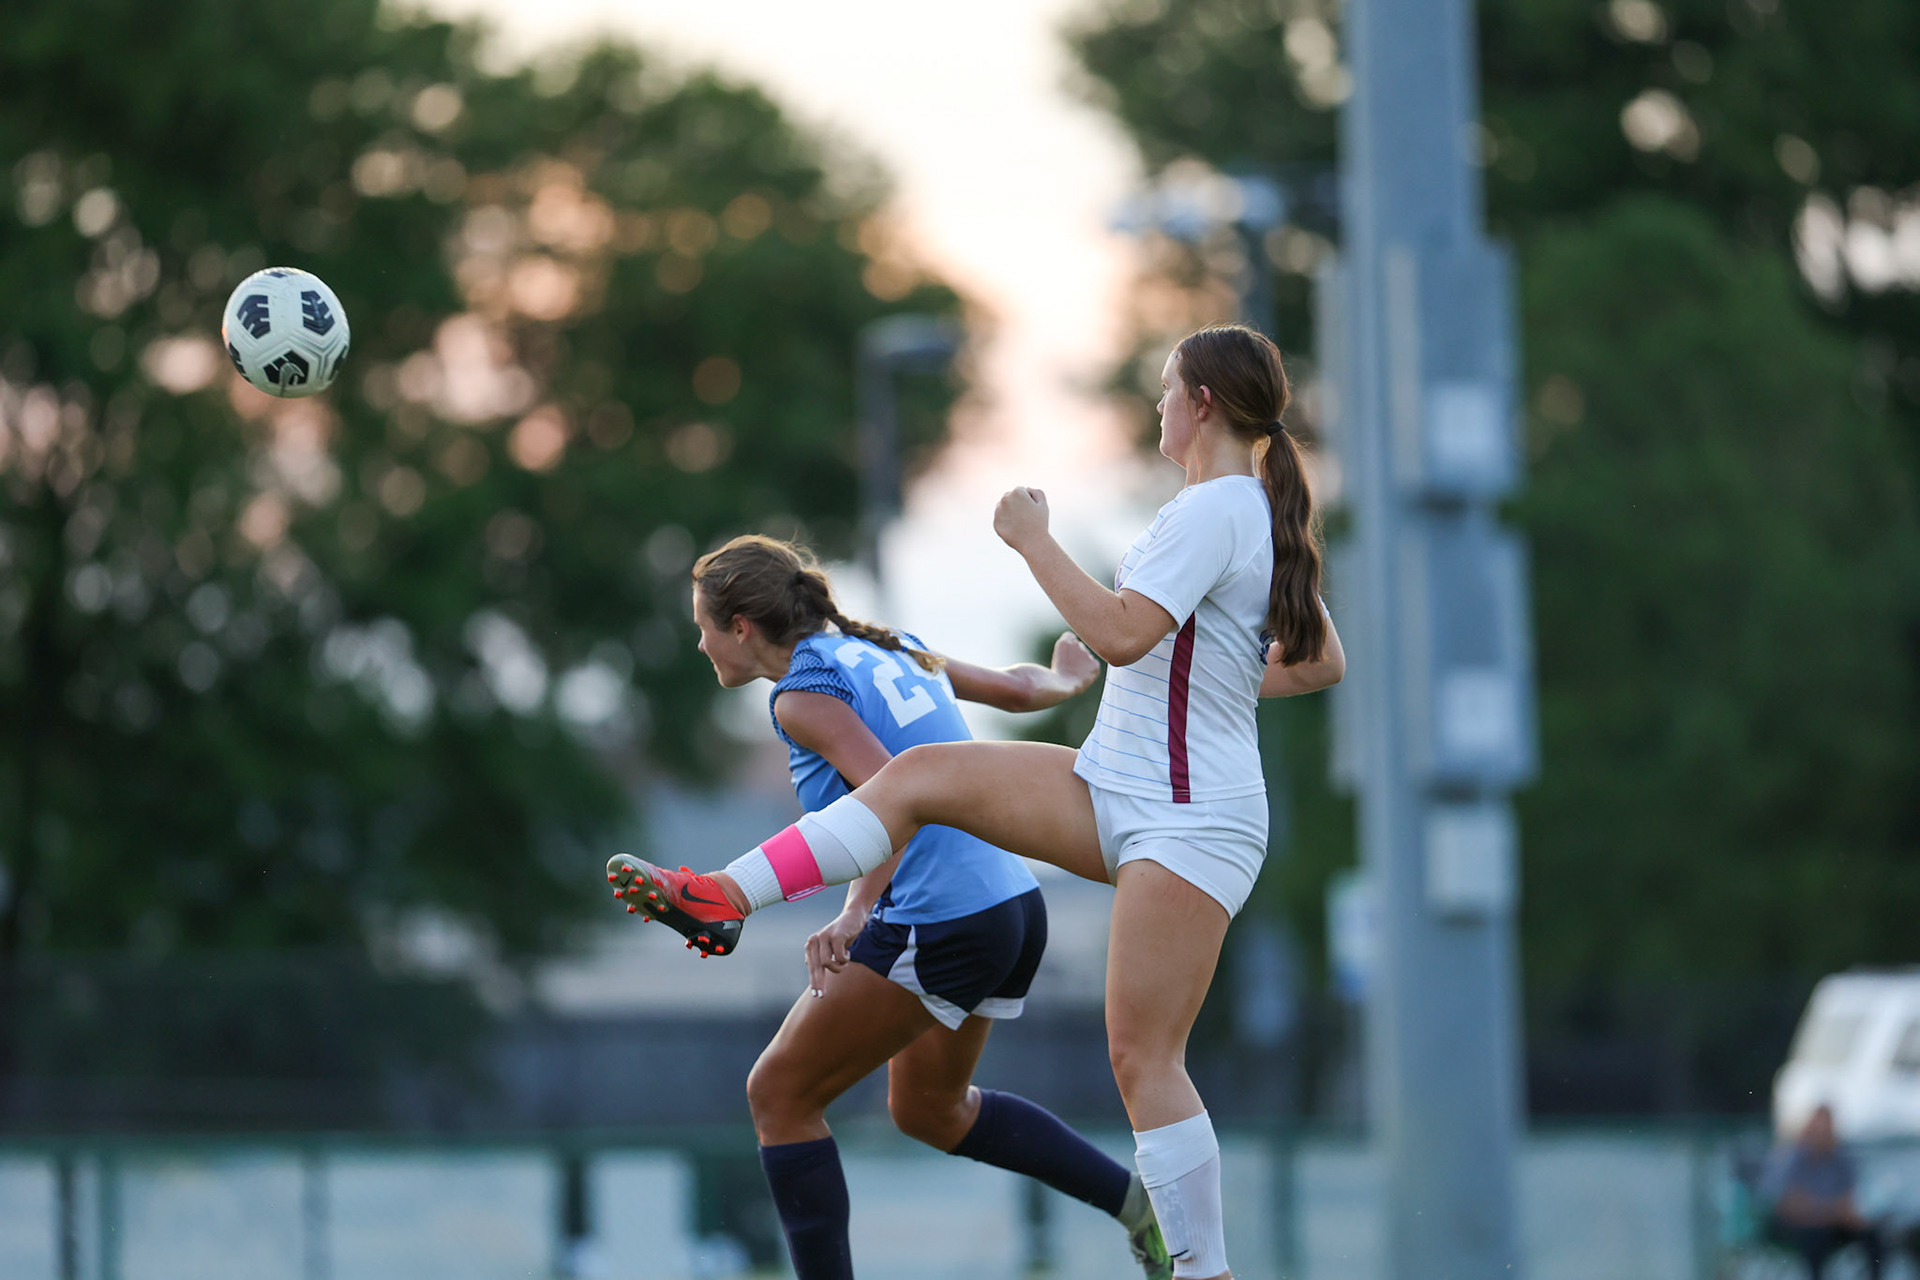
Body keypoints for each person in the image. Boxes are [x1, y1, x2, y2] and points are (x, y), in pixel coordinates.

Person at [613, 323, 1345, 1280]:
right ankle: (722, 896)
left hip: (1186, 815)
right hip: (1119, 785)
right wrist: (1193, 680)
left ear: (1201, 401)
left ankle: (1205, 1272)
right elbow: (1315, 661)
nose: (1159, 403)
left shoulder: (1218, 509)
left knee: (1143, 1062)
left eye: (1168, 387)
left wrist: (1034, 543)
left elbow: (1126, 635)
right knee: (917, 783)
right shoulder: (1230, 509)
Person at [610, 534, 1171, 1280]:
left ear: (742, 626)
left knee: (778, 1094)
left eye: (704, 626)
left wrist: (854, 916)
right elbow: (1014, 690)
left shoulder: (803, 695)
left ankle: (718, 898)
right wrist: (1065, 683)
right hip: (1010, 902)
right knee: (930, 1110)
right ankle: (1135, 1206)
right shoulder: (890, 645)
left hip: (944, 915)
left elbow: (892, 800)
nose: (702, 642)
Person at [1762, 1105, 1888, 1278]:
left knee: (1872, 1235)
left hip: (1830, 1223)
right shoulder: (1792, 1158)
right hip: (1798, 1228)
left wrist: (1837, 1213)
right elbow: (1788, 1205)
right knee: (1814, 1237)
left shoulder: (1840, 1159)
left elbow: (1848, 1199)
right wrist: (1828, 1211)